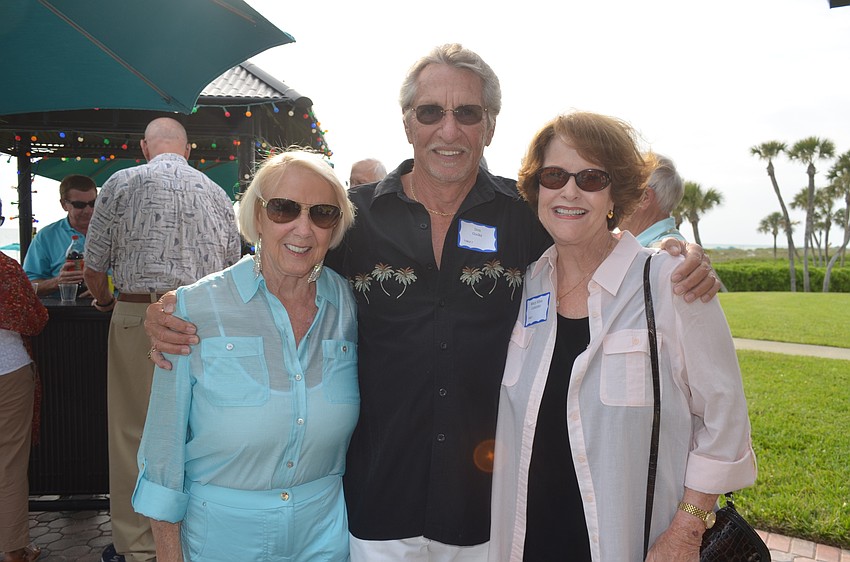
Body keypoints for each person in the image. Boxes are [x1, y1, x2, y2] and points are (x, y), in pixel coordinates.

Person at [144, 44, 720, 561]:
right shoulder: (354, 217)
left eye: (467, 113)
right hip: (375, 506)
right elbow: (284, 262)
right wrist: (175, 307)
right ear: (407, 123)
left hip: (488, 509)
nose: (449, 129)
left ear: (490, 126)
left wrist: (673, 249)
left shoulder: (525, 218)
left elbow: (595, 240)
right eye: (431, 112)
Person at [488, 112, 756, 562]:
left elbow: (725, 420)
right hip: (526, 542)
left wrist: (688, 530)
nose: (570, 191)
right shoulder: (527, 281)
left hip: (632, 545)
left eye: (591, 178)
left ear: (616, 194)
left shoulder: (670, 282)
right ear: (537, 188)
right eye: (555, 176)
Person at [131, 150, 358, 561]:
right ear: (256, 216)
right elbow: (163, 452)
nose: (302, 229)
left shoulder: (351, 306)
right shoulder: (192, 310)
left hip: (325, 537)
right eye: (284, 209)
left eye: (322, 214)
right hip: (220, 539)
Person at [84, 117, 242, 562]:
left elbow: (95, 267)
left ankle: (138, 547)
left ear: (144, 147)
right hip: (206, 323)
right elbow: (233, 266)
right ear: (188, 150)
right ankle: (192, 540)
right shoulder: (215, 192)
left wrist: (102, 301)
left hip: (138, 312)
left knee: (132, 432)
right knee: (197, 431)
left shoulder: (122, 181)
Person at [1, 205, 49, 562]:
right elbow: (34, 320)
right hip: (9, 371)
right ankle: (13, 550)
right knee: (9, 464)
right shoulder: (5, 268)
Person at [23, 174, 97, 297]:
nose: (88, 210)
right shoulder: (46, 237)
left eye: (93, 203)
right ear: (64, 204)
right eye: (79, 205)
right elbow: (27, 287)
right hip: (63, 311)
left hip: (110, 308)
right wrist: (58, 282)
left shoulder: (115, 231)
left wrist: (102, 288)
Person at [619, 153, 687, 247]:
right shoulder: (662, 250)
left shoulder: (663, 254)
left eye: (620, 188)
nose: (612, 198)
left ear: (644, 197)